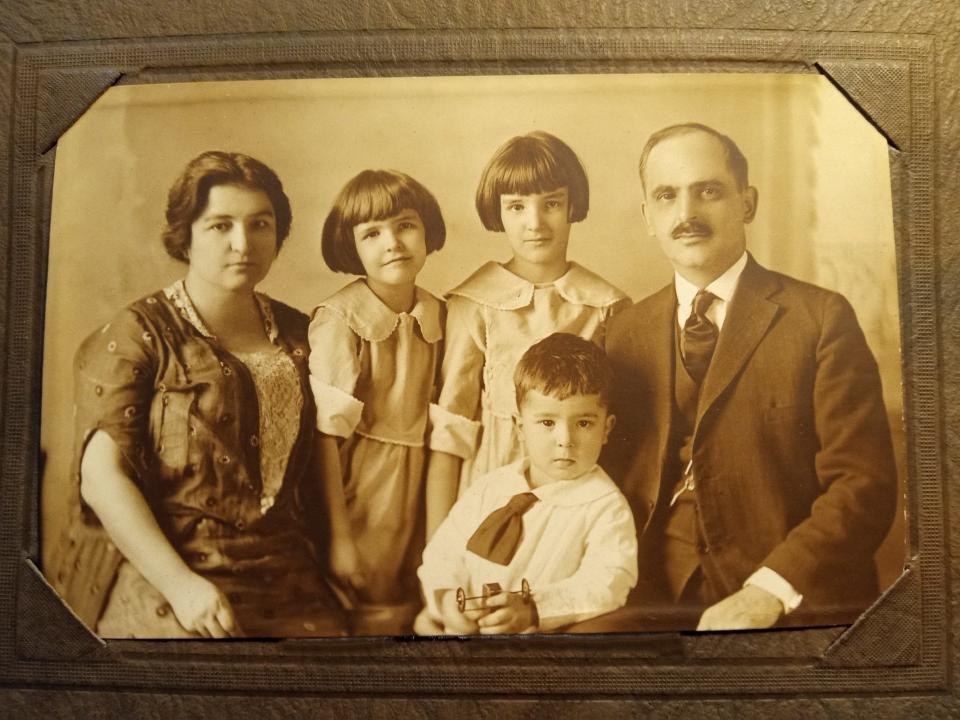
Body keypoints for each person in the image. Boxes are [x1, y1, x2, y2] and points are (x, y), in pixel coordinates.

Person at [603, 123, 897, 631]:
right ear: (648, 217)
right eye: (667, 196)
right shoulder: (622, 332)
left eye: (709, 191)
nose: (687, 214)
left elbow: (863, 486)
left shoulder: (820, 317)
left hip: (787, 598)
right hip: (649, 594)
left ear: (748, 203)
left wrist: (770, 590)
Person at [50, 151, 348, 638]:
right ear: (185, 236)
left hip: (288, 574)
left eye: (260, 225)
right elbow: (101, 479)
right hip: (168, 574)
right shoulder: (138, 334)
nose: (242, 243)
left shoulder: (303, 333)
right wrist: (182, 586)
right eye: (219, 226)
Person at [426, 131, 630, 541]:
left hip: (580, 507)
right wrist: (438, 544)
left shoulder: (607, 306)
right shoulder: (474, 304)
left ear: (572, 206)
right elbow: (451, 434)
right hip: (492, 497)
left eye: (551, 204)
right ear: (498, 212)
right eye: (517, 206)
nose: (535, 223)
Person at [416, 333, 638, 635]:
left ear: (606, 429)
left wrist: (534, 609)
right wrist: (447, 601)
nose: (565, 441)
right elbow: (444, 552)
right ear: (520, 427)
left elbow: (608, 582)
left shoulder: (604, 506)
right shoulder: (490, 488)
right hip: (468, 627)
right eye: (547, 423)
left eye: (583, 423)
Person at [309, 169, 446, 635]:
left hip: (421, 475)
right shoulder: (340, 318)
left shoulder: (438, 312)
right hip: (361, 481)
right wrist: (341, 536)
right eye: (372, 233)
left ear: (427, 229)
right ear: (352, 247)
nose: (393, 242)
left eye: (405, 225)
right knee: (363, 593)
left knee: (411, 597)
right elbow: (325, 437)